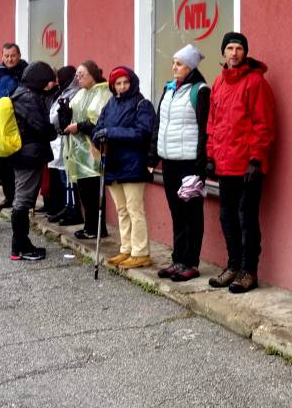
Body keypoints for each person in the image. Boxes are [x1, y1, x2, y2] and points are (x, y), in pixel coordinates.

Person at [207, 32, 275, 294]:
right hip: (225, 164)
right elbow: (213, 123)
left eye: (239, 48)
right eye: (230, 48)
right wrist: (211, 155)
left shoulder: (255, 82)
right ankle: (233, 266)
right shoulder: (218, 83)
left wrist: (256, 158)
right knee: (227, 218)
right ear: (223, 52)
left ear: (245, 52)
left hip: (247, 167)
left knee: (246, 219)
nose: (234, 53)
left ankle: (249, 271)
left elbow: (263, 123)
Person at [151, 44, 210, 282]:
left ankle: (190, 263)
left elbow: (206, 129)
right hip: (170, 162)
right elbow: (159, 125)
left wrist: (201, 165)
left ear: (191, 67)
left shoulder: (200, 91)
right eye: (174, 63)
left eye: (179, 63)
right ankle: (178, 259)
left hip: (189, 164)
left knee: (192, 215)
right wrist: (153, 157)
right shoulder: (169, 89)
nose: (174, 67)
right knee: (177, 213)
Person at [93, 66, 156, 270]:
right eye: (117, 83)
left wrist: (110, 132)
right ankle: (126, 248)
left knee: (134, 209)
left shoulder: (142, 104)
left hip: (133, 163)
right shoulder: (110, 104)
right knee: (122, 210)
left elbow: (142, 133)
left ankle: (141, 252)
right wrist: (97, 137)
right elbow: (98, 128)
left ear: (132, 83)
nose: (121, 87)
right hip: (113, 164)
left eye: (125, 82)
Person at [7, 61, 58, 261]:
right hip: (28, 155)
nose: (49, 85)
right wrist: (55, 128)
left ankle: (21, 244)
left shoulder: (21, 93)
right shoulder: (29, 98)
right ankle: (20, 247)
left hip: (23, 153)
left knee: (23, 198)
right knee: (23, 200)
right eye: (46, 81)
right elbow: (41, 128)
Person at [63, 60, 111, 240]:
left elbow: (98, 122)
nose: (78, 78)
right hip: (79, 150)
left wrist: (79, 126)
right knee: (84, 191)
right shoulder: (81, 93)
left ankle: (97, 228)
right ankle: (89, 226)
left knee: (93, 192)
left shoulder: (102, 92)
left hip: (94, 151)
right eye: (77, 75)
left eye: (82, 75)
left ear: (93, 75)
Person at [0, 43, 28, 209]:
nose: (10, 59)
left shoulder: (25, 72)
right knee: (2, 163)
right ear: (2, 56)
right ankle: (9, 197)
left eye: (13, 56)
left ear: (19, 56)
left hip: (16, 124)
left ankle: (20, 200)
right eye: (6, 56)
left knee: (16, 163)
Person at [46, 65, 83, 225]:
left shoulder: (74, 93)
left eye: (59, 79)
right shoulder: (63, 92)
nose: (57, 82)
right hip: (59, 139)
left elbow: (57, 117)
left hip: (68, 139)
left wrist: (52, 123)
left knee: (68, 177)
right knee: (62, 177)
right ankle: (67, 206)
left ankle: (74, 209)